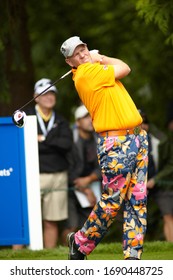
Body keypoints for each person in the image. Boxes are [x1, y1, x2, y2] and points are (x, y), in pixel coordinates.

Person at [60, 36, 148, 260]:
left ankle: (133, 258)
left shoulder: (96, 69)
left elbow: (121, 69)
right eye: (76, 54)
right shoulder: (86, 74)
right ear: (70, 63)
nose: (82, 54)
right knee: (112, 201)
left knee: (137, 200)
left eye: (83, 49)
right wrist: (102, 58)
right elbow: (125, 68)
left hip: (137, 137)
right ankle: (79, 242)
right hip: (116, 143)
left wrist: (98, 60)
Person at [25, 78, 73, 248]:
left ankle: (48, 256)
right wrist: (52, 142)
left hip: (57, 175)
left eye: (52, 93)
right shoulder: (26, 116)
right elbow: (24, 144)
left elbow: (66, 145)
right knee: (26, 217)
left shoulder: (61, 120)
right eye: (45, 93)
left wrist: (42, 140)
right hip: (31, 174)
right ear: (36, 97)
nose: (49, 97)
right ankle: (19, 256)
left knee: (51, 220)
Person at [61, 104, 102, 245]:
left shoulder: (99, 139)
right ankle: (65, 252)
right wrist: (84, 188)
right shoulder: (70, 141)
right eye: (85, 117)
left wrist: (89, 179)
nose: (90, 120)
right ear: (77, 122)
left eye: (91, 117)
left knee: (90, 225)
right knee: (71, 226)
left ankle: (81, 251)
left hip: (93, 185)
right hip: (70, 187)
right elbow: (66, 168)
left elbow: (104, 165)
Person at [147, 115, 173, 242]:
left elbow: (170, 164)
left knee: (168, 215)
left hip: (160, 184)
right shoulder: (128, 139)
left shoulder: (161, 139)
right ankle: (133, 248)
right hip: (138, 185)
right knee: (133, 216)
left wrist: (156, 179)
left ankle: (171, 248)